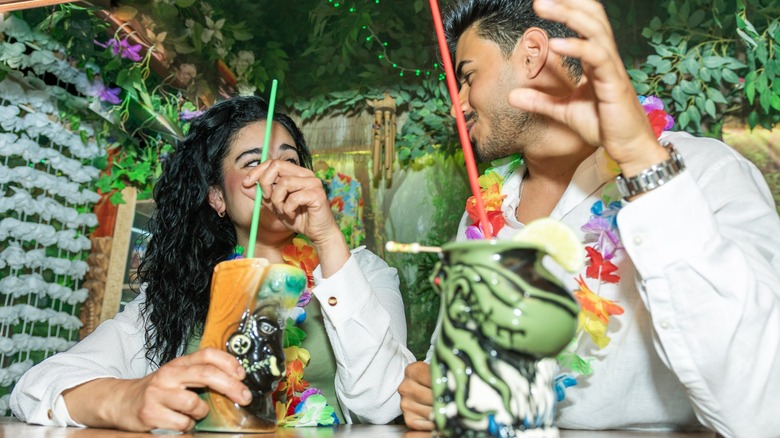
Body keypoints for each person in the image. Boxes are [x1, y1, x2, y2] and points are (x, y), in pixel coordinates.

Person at [398, 0, 780, 436]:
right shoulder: (484, 214)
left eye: (467, 77)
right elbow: (451, 366)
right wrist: (440, 394)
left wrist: (640, 159)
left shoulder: (701, 172)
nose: (457, 106)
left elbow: (765, 405)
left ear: (531, 54)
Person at [10, 95, 415, 431]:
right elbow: (36, 386)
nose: (276, 173)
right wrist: (128, 397)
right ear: (217, 197)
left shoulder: (364, 273)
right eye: (252, 162)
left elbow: (382, 404)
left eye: (289, 159)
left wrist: (327, 238)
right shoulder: (179, 293)